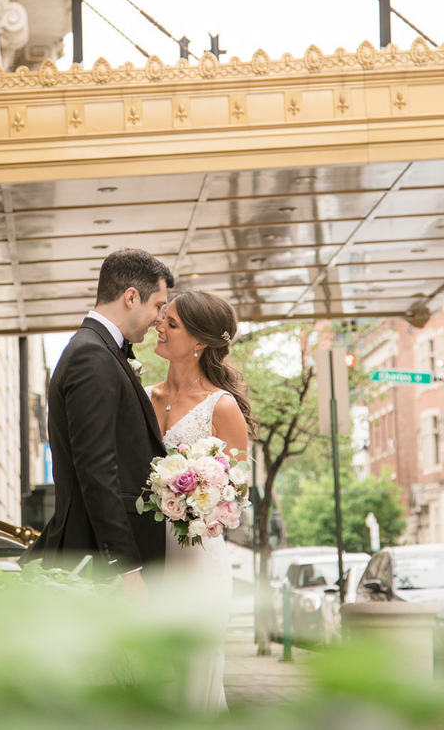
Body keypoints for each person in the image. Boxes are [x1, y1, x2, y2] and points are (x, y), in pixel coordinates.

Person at [20, 248, 173, 595]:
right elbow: (97, 471)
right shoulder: (92, 355)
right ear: (131, 297)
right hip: (99, 569)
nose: (159, 319)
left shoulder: (98, 350)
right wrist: (126, 567)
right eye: (158, 306)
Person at [146, 289, 252, 713]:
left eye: (171, 323)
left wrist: (196, 499)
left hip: (198, 556)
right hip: (150, 553)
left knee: (195, 669)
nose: (159, 325)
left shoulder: (221, 407)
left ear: (198, 342)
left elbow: (237, 493)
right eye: (162, 318)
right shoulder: (145, 397)